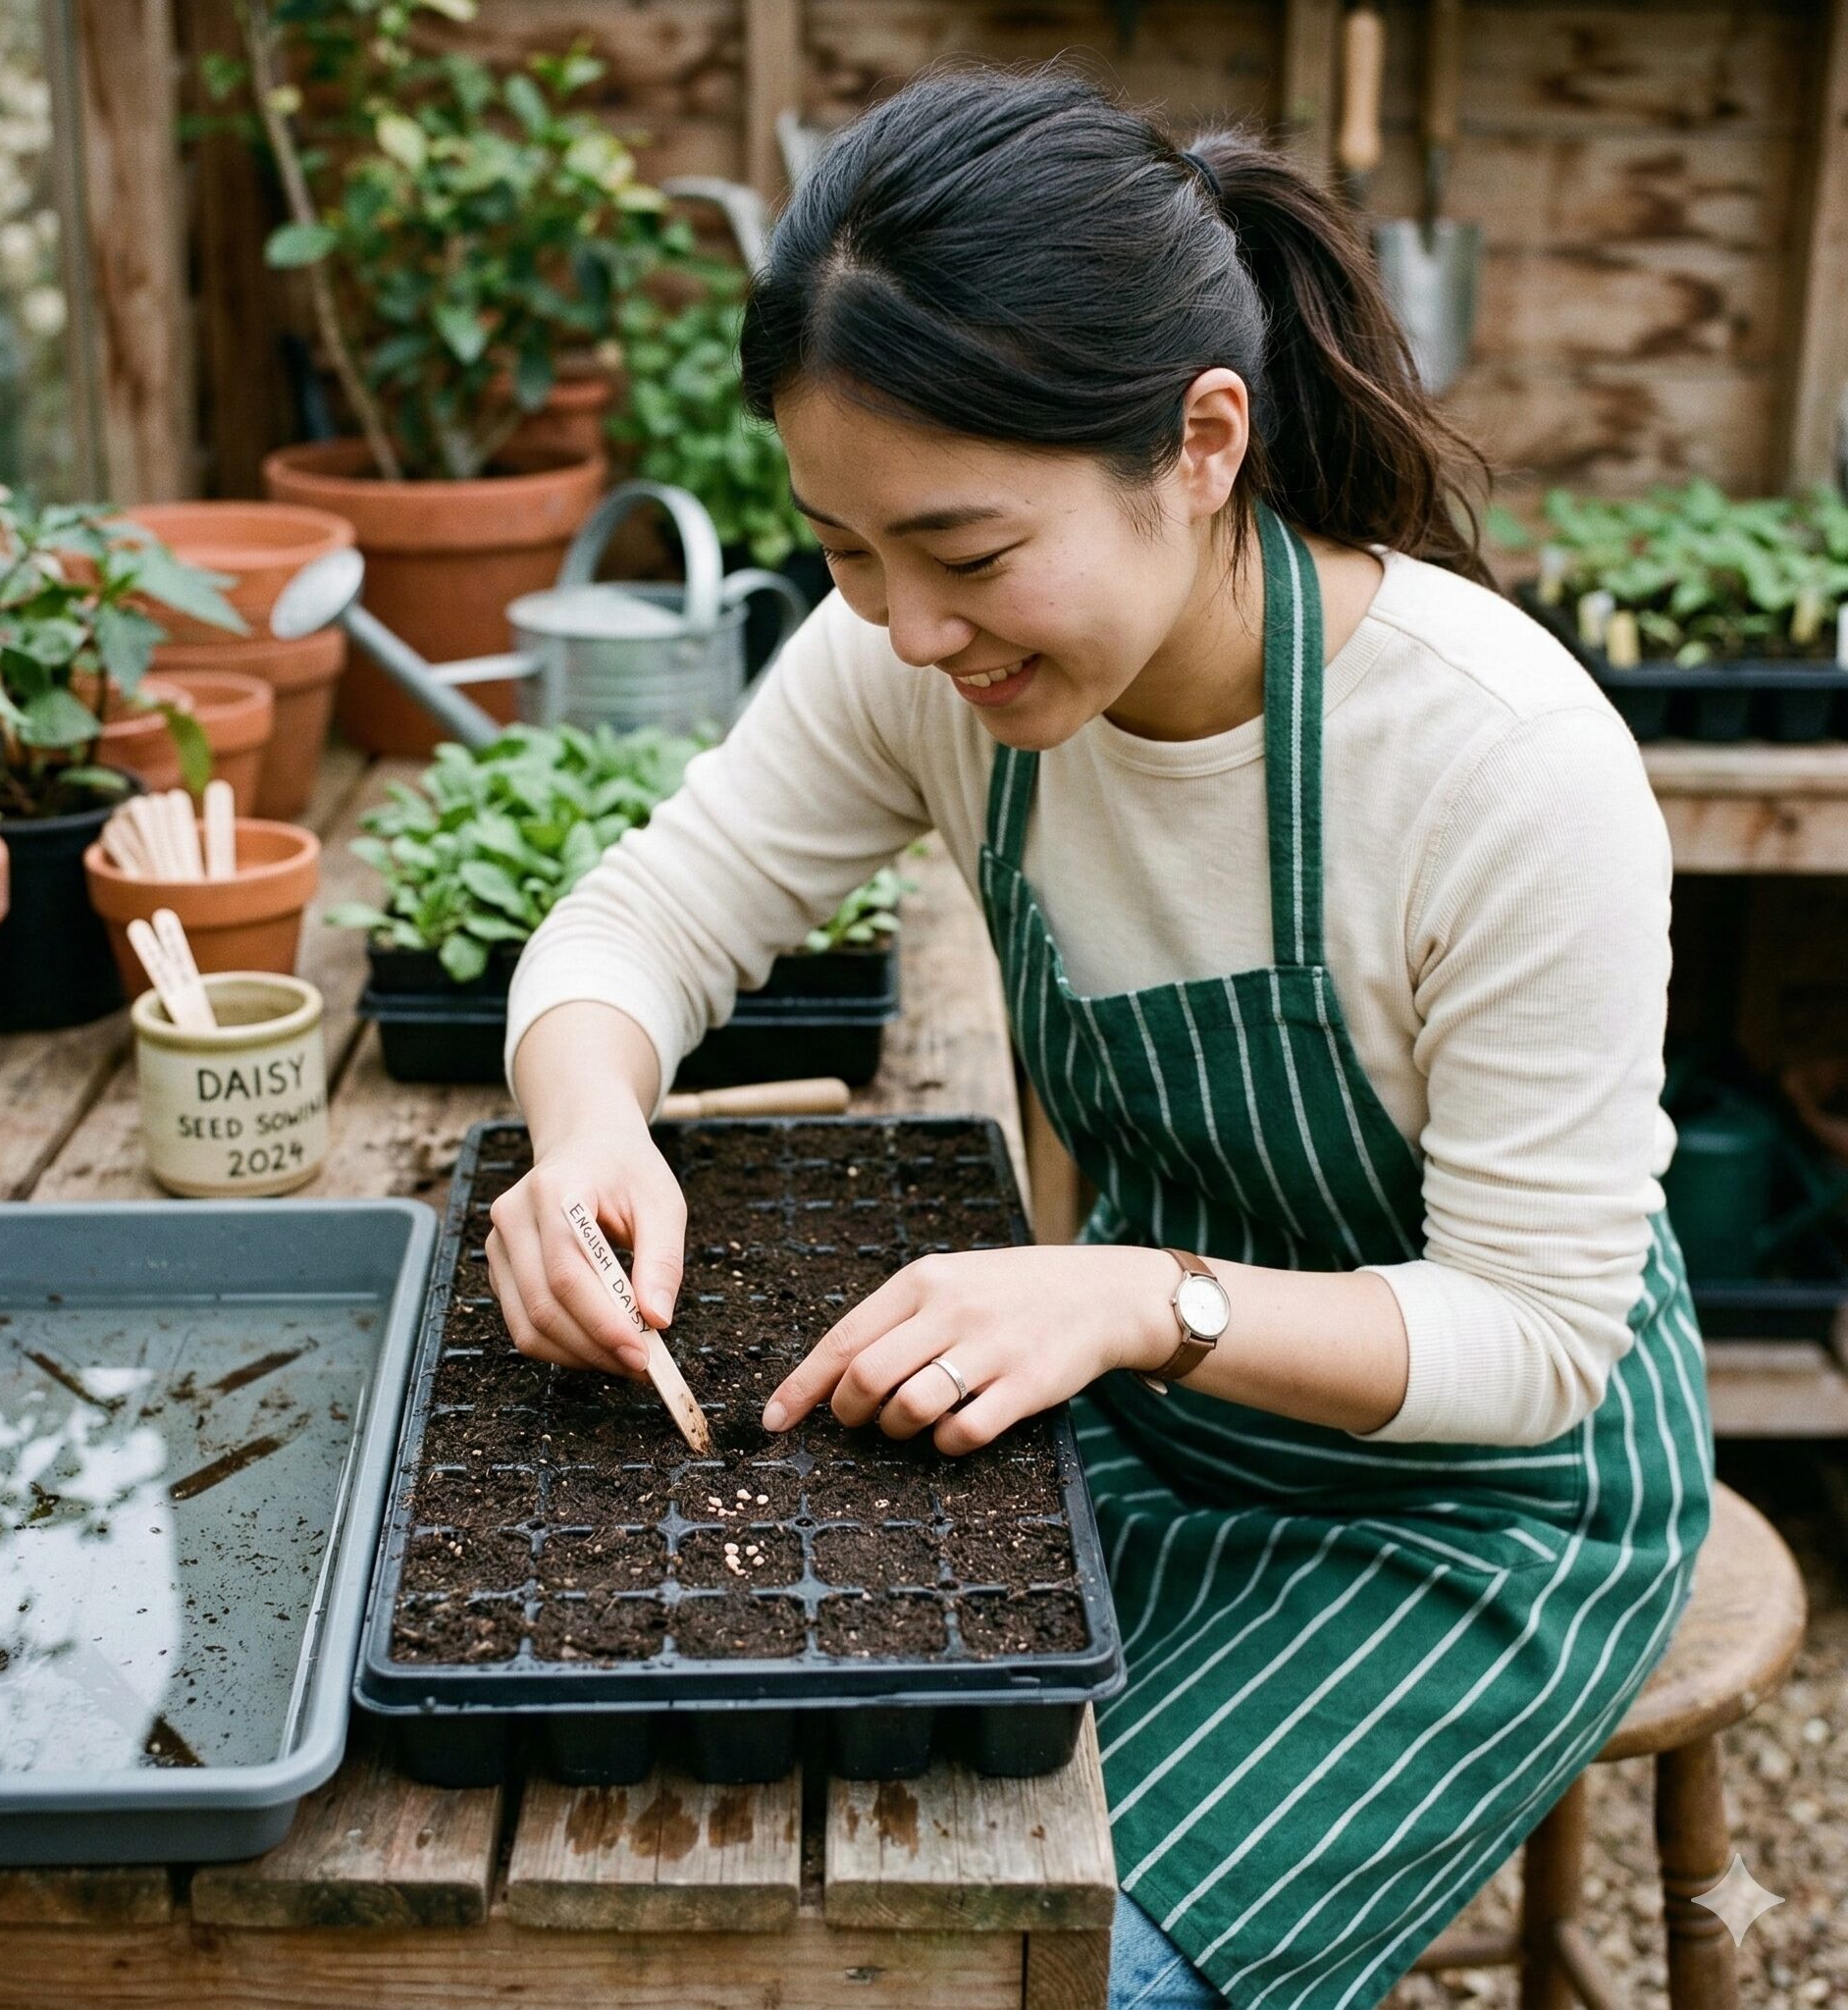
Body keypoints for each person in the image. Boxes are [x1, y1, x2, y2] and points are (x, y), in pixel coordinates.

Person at [486, 65, 1714, 2010]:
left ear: (1202, 442)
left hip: (1477, 1511)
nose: (904, 626)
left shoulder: (1500, 765)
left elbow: (1540, 1338)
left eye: (967, 554)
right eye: (843, 546)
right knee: (807, 1896)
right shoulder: (921, 663)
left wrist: (1139, 1294)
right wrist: (583, 1133)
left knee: (1043, 1970)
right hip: (1143, 1435)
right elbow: (644, 918)